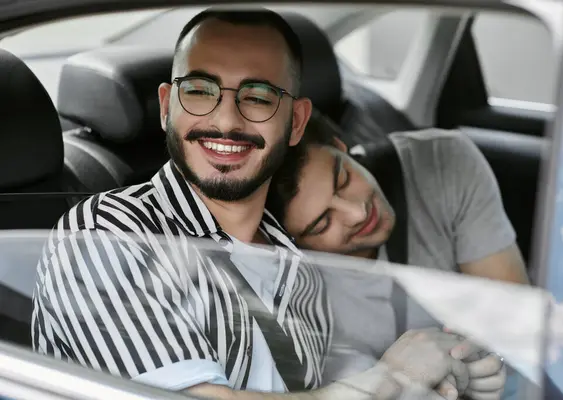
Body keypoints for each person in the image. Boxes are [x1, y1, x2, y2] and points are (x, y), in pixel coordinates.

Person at [31, 7, 489, 400]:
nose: (226, 120)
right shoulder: (108, 234)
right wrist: (388, 381)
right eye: (199, 90)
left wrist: (454, 371)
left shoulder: (298, 267)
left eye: (258, 97)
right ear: (168, 106)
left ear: (295, 123)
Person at [266, 113, 528, 397]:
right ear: (292, 244)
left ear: (341, 147)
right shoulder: (289, 289)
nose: (357, 212)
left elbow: (514, 322)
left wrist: (489, 360)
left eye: (344, 179)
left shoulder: (443, 162)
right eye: (323, 223)